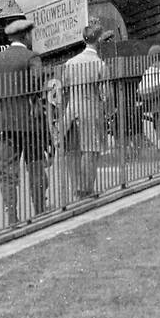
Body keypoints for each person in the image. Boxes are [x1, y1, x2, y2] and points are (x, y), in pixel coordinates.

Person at [0, 19, 49, 223]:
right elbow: (36, 85)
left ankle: (12, 217)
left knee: (7, 174)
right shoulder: (32, 57)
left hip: (4, 124)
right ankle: (40, 212)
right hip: (30, 124)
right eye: (31, 34)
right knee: (36, 169)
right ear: (26, 36)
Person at [61, 22, 110, 198]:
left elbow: (65, 88)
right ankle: (86, 189)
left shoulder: (70, 63)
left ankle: (76, 187)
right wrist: (106, 110)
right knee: (90, 151)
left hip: (71, 111)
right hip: (90, 110)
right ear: (98, 41)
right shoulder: (99, 64)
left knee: (73, 152)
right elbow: (106, 94)